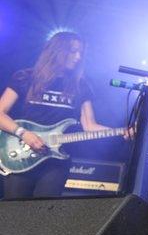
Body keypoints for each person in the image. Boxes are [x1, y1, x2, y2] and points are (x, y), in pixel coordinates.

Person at [0, 32, 118, 199]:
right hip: (20, 155)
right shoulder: (25, 78)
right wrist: (23, 133)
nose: (77, 57)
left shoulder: (81, 86)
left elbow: (90, 126)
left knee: (45, 215)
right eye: (73, 51)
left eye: (80, 53)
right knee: (15, 215)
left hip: (56, 162)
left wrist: (122, 131)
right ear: (57, 51)